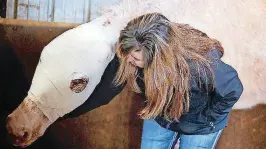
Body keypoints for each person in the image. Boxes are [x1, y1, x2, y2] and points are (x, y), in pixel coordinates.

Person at [65, 13, 243, 149]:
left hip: (200, 123)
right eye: (126, 54)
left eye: (135, 57)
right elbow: (106, 90)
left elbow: (233, 89)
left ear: (158, 57)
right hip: (160, 113)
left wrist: (207, 119)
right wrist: (67, 111)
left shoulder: (199, 64)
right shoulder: (131, 50)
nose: (128, 60)